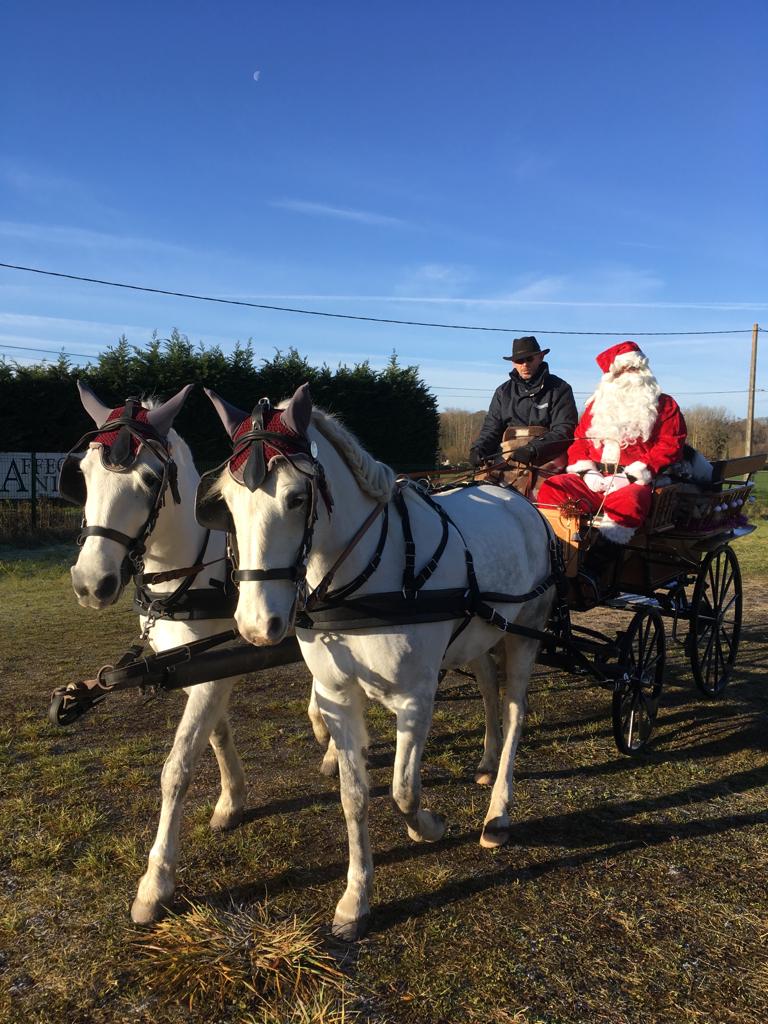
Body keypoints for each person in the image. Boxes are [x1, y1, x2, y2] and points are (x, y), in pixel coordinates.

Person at [537, 340, 686, 605]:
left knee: (631, 501)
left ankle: (593, 570)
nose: (629, 376)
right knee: (554, 487)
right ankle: (558, 559)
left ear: (644, 372)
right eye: (622, 371)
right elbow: (580, 442)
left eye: (634, 369)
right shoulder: (597, 405)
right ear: (610, 376)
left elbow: (670, 445)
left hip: (634, 481)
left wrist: (632, 475)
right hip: (594, 479)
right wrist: (586, 472)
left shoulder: (663, 405)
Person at [469, 336, 578, 470]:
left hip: (547, 458)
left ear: (540, 357)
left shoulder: (560, 389)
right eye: (519, 360)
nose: (525, 364)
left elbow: (564, 430)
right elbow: (491, 428)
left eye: (529, 359)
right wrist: (479, 449)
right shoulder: (502, 392)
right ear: (513, 363)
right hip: (507, 458)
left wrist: (534, 449)